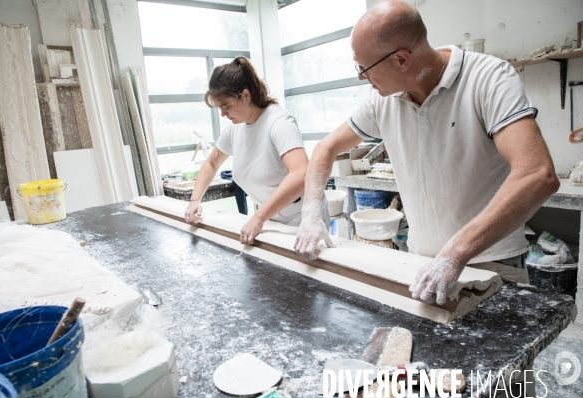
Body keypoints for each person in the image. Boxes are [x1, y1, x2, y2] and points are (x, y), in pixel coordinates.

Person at [294, 0, 559, 305]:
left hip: (491, 264)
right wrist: (311, 213)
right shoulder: (383, 101)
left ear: (402, 60)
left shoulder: (488, 78)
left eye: (364, 69)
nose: (361, 78)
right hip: (421, 265)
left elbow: (537, 174)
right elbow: (325, 149)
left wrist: (454, 254)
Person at [184, 57, 329, 245]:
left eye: (226, 107)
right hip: (268, 219)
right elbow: (212, 163)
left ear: (246, 95)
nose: (223, 114)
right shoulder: (234, 128)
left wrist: (258, 217)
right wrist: (195, 200)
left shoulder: (279, 123)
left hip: (301, 221)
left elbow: (301, 174)